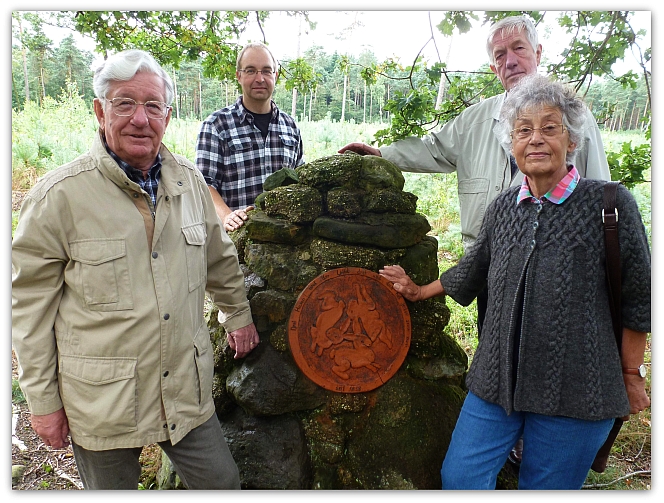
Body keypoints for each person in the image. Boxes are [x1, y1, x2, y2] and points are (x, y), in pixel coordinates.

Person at [379, 74, 650, 490]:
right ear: (512, 142)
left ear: (571, 139)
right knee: (460, 478)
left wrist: (631, 375)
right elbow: (475, 266)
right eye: (523, 130)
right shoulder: (504, 206)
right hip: (496, 382)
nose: (536, 139)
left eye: (549, 127)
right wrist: (417, 290)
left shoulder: (609, 205)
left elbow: (639, 299)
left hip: (576, 390)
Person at [12, 49, 260, 490]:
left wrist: (237, 315)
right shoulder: (59, 197)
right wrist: (44, 401)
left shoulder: (189, 182)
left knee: (223, 485)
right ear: (99, 110)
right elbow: (28, 311)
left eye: (152, 106)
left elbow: (219, 258)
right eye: (124, 103)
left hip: (184, 389)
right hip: (102, 401)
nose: (140, 119)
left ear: (168, 114)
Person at [195, 42, 304, 232]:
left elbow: (300, 180)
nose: (259, 78)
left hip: (284, 242)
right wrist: (227, 216)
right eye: (251, 71)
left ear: (275, 76)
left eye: (266, 71)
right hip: (233, 241)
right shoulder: (216, 125)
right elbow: (203, 184)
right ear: (239, 76)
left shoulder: (290, 127)